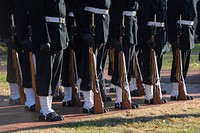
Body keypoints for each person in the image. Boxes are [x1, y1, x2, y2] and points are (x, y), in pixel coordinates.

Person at [28, 0, 68, 121]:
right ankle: (44, 109)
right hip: (47, 35)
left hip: (59, 34)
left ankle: (49, 107)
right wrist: (44, 39)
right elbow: (36, 15)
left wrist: (65, 36)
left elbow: (62, 15)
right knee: (45, 74)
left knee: (55, 75)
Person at [72, 0, 111, 113]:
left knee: (97, 67)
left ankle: (96, 98)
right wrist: (84, 31)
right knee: (88, 66)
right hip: (90, 25)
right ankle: (88, 102)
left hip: (103, 25)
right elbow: (77, 8)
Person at [108, 0, 139, 109]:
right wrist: (113, 38)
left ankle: (126, 96)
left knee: (129, 67)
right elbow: (114, 13)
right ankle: (119, 98)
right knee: (120, 67)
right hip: (122, 29)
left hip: (131, 28)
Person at [137, 0, 169, 104]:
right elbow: (141, 20)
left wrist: (166, 38)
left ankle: (156, 92)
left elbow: (166, 19)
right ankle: (149, 95)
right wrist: (146, 38)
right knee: (148, 64)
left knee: (157, 64)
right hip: (150, 32)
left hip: (160, 34)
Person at [168, 0, 195, 100]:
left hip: (188, 33)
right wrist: (173, 38)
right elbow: (171, 19)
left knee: (185, 63)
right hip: (180, 33)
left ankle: (182, 88)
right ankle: (175, 90)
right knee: (178, 62)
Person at [13, 0, 36, 111]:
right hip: (23, 36)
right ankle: (30, 99)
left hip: (37, 34)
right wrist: (22, 38)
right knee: (26, 69)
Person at [0, 0, 21, 105]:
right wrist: (5, 35)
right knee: (12, 62)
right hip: (10, 31)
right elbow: (3, 12)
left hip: (24, 28)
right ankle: (14, 92)